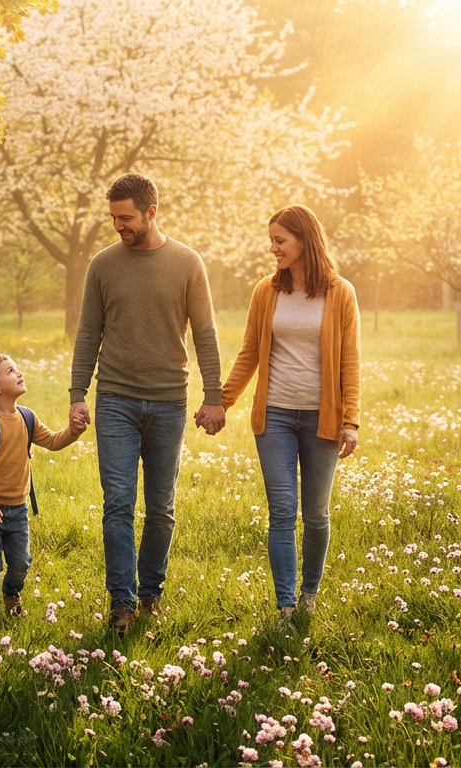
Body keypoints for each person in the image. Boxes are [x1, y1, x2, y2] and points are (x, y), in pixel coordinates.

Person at [69, 173, 225, 634]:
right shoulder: (102, 265)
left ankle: (150, 593)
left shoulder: (187, 263)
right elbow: (87, 334)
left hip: (168, 401)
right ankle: (122, 602)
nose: (118, 225)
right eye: (113, 217)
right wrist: (78, 394)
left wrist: (213, 395)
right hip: (115, 396)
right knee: (118, 503)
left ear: (151, 211)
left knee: (161, 507)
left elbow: (206, 333)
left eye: (126, 217)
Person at [221, 204, 360, 620]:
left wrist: (350, 420)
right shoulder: (266, 291)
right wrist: (222, 401)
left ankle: (310, 595)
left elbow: (349, 361)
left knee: (316, 514)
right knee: (281, 512)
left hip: (323, 419)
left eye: (280, 241)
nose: (273, 248)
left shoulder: (340, 292)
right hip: (276, 417)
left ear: (305, 240)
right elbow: (249, 353)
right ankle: (286, 607)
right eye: (271, 241)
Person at [0, 353, 86, 621]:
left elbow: (54, 441)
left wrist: (74, 431)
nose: (19, 373)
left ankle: (11, 592)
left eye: (17, 369)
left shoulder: (27, 417)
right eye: (10, 371)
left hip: (18, 509)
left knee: (21, 563)